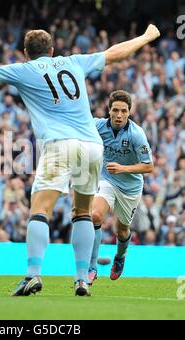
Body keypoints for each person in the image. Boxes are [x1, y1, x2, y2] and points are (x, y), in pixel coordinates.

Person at [0, 25, 160, 296]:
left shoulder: (24, 69)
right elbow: (114, 53)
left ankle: (33, 274)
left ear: (25, 53)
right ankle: (82, 279)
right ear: (53, 50)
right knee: (82, 212)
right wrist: (146, 37)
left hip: (59, 144)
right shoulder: (73, 62)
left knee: (40, 209)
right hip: (92, 145)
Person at [89, 90, 154, 285]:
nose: (119, 115)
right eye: (115, 110)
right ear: (108, 110)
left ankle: (119, 256)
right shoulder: (98, 126)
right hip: (107, 179)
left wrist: (123, 168)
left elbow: (149, 166)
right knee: (95, 216)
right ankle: (91, 267)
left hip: (130, 187)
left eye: (123, 111)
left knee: (122, 230)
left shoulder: (137, 134)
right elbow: (79, 130)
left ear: (129, 112)